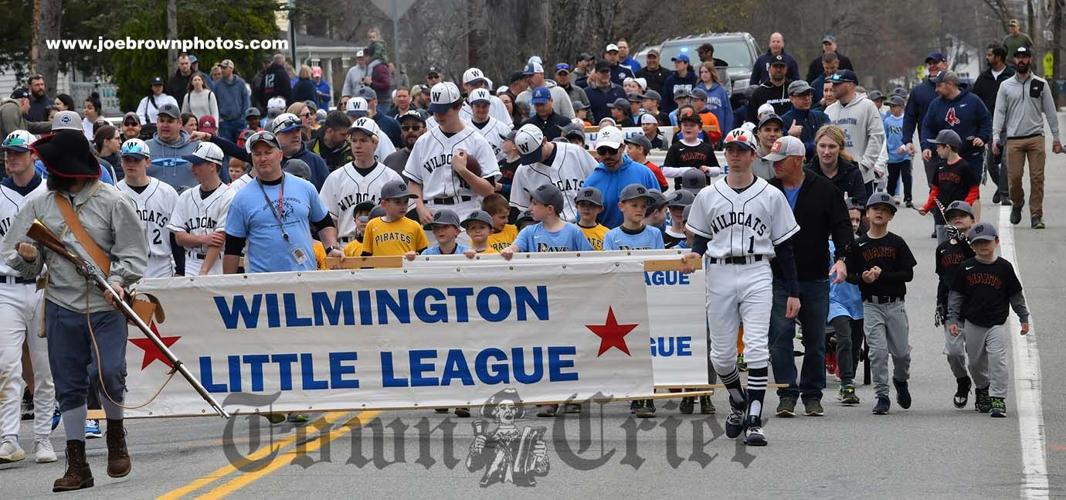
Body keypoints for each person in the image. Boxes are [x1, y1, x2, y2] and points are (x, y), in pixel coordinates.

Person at [2, 129, 146, 491]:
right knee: (68, 387)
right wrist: (28, 258)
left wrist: (119, 281)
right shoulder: (38, 205)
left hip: (107, 304)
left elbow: (133, 254)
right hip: (61, 305)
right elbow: (14, 252)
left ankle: (116, 436)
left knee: (111, 373)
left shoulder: (113, 201)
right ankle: (77, 462)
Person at [683, 127, 801, 446]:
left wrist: (792, 290)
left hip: (757, 269)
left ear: (753, 155)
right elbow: (702, 237)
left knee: (756, 347)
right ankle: (738, 399)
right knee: (721, 357)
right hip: (719, 272)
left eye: (741, 150)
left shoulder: (770, 194)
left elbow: (785, 246)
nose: (735, 155)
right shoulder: (708, 194)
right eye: (730, 149)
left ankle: (754, 418)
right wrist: (694, 254)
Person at [765, 135, 853, 417]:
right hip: (777, 277)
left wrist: (841, 259)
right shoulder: (767, 190)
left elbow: (842, 227)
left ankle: (812, 395)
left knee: (815, 340)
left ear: (797, 160)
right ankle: (786, 394)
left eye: (780, 161)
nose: (775, 166)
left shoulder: (824, 189)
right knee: (779, 338)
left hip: (815, 275)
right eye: (772, 161)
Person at [0, 130, 57, 465]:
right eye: (8, 153)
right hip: (5, 285)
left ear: (34, 156)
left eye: (18, 153)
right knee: (6, 367)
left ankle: (43, 438)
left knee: (44, 367)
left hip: (41, 287)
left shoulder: (49, 192)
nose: (11, 158)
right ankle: (8, 439)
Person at [223, 130, 342, 274]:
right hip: (263, 284)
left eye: (268, 152)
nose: (263, 158)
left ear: (280, 155)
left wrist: (331, 248)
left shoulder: (305, 187)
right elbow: (232, 248)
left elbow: (324, 223)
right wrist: (229, 286)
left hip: (303, 277)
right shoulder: (241, 198)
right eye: (257, 154)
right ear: (252, 159)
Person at [947, 221, 1031, 418]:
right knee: (975, 364)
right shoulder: (966, 267)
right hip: (973, 322)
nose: (982, 246)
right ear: (971, 245)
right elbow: (956, 296)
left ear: (997, 242)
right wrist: (952, 320)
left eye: (987, 241)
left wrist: (1023, 317)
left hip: (997, 322)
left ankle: (998, 399)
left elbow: (1016, 296)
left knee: (997, 359)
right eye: (977, 243)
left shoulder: (1004, 268)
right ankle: (983, 388)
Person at [844, 192, 917, 415]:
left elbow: (908, 274)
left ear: (891, 216)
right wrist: (863, 278)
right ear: (867, 213)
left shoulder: (897, 242)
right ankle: (882, 395)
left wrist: (883, 275)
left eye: (885, 210)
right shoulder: (858, 245)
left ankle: (900, 380)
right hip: (871, 305)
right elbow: (849, 274)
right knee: (877, 352)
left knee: (902, 354)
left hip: (895, 304)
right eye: (875, 209)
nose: (879, 213)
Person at [405, 82, 500, 223]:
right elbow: (413, 182)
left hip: (466, 210)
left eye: (443, 111)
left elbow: (489, 191)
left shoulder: (477, 141)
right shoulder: (423, 141)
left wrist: (463, 171)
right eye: (435, 110)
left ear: (458, 107)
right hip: (431, 211)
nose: (438, 115)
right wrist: (420, 208)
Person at [992, 46, 1062, 229]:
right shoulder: (1005, 86)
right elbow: (999, 112)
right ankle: (1018, 202)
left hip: (1036, 137)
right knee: (1014, 178)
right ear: (1014, 60)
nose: (1021, 60)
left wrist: (1056, 138)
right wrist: (995, 137)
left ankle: (1036, 215)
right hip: (1014, 139)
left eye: (1024, 57)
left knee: (1037, 178)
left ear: (1030, 59)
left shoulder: (1041, 84)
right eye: (1018, 57)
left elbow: (1050, 112)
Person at [320, 117, 405, 243]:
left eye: (363, 140)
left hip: (382, 244)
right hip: (347, 246)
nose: (357, 145)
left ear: (375, 143)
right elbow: (328, 220)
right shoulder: (336, 177)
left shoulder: (391, 177)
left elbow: (402, 217)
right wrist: (332, 246)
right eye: (354, 140)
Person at [932, 201, 977, 409]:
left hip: (978, 306)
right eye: (952, 216)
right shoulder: (942, 249)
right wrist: (940, 303)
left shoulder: (981, 243)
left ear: (972, 220)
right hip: (953, 309)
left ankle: (984, 389)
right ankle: (962, 380)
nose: (957, 218)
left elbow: (976, 260)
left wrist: (963, 241)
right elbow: (943, 279)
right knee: (954, 352)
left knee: (978, 356)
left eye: (962, 215)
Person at [115, 138, 179, 278]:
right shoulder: (113, 193)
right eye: (127, 159)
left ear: (148, 162)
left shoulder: (167, 192)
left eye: (136, 160)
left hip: (161, 265)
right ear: (121, 162)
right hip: (126, 265)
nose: (131, 164)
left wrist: (180, 268)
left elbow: (176, 234)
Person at [168, 142, 235, 276]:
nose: (193, 168)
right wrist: (203, 239)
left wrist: (204, 271)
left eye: (198, 164)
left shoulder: (229, 196)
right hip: (191, 261)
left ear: (212, 166)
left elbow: (218, 240)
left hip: (218, 263)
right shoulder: (186, 196)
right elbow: (179, 238)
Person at [510, 124, 596, 222]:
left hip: (586, 224)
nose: (533, 159)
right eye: (529, 156)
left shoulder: (574, 152)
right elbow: (521, 207)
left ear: (544, 141)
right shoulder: (523, 170)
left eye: (535, 154)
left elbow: (599, 179)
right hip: (549, 230)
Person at [920, 71, 991, 190]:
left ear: (950, 84)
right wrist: (926, 146)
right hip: (946, 159)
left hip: (971, 156)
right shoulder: (935, 105)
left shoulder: (973, 101)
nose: (936, 90)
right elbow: (927, 127)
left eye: (939, 85)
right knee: (947, 193)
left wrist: (982, 137)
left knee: (970, 194)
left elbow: (986, 122)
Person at [584, 126, 661, 228]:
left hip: (641, 239)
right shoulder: (592, 181)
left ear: (622, 148)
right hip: (605, 241)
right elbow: (583, 220)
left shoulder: (644, 173)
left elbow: (659, 208)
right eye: (602, 151)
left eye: (612, 150)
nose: (607, 156)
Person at [827, 200, 865, 405]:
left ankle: (848, 374)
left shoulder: (863, 244)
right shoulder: (829, 245)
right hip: (835, 300)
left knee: (856, 345)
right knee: (845, 337)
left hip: (858, 301)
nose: (854, 223)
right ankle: (847, 384)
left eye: (858, 219)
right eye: (850, 219)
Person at [825, 70, 886, 194]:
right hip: (834, 177)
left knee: (862, 212)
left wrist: (864, 166)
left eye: (837, 84)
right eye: (833, 84)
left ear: (851, 85)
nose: (833, 87)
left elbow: (877, 137)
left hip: (862, 177)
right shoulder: (829, 111)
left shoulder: (867, 106)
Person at [501, 183, 593, 262]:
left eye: (535, 203)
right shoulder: (528, 232)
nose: (530, 208)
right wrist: (510, 249)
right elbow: (515, 246)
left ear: (549, 209)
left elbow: (591, 259)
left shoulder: (574, 232)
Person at [918, 130, 979, 245]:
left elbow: (974, 190)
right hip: (942, 217)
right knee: (943, 248)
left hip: (958, 218)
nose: (936, 150)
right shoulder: (940, 167)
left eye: (938, 146)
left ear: (947, 147)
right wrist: (926, 207)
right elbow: (935, 190)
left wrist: (964, 207)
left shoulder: (965, 167)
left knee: (960, 247)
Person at [972, 43, 1015, 205]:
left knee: (1006, 160)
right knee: (990, 162)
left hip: (1011, 125)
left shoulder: (1012, 75)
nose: (987, 57)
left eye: (990, 55)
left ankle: (1004, 194)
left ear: (998, 57)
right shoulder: (983, 78)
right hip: (990, 125)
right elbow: (974, 100)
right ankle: (1001, 187)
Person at [903, 52, 948, 186]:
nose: (932, 66)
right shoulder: (919, 91)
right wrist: (907, 140)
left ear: (945, 64)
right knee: (934, 185)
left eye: (936, 63)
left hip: (955, 146)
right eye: (930, 64)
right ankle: (937, 206)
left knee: (954, 185)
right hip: (930, 146)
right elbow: (910, 117)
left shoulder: (955, 87)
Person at [359, 180, 428, 256]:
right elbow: (366, 255)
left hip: (406, 268)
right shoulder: (372, 225)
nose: (403, 206)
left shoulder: (415, 226)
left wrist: (416, 255)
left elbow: (424, 255)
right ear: (384, 204)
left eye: (406, 201)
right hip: (381, 267)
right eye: (397, 202)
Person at [145, 103, 201, 194]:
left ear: (179, 123)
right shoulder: (145, 148)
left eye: (170, 121)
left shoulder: (197, 147)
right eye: (162, 121)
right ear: (157, 123)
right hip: (155, 205)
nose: (165, 125)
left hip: (189, 204)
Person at [809, 125, 868, 205]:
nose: (826, 152)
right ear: (816, 147)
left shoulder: (853, 173)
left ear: (840, 148)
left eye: (832, 147)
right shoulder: (807, 173)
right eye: (822, 146)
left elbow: (861, 204)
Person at [662, 107, 720, 188]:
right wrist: (687, 171)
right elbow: (666, 171)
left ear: (700, 129)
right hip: (682, 190)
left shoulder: (706, 147)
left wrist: (708, 170)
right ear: (681, 128)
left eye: (692, 125)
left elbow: (717, 170)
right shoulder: (675, 147)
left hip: (703, 189)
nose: (688, 127)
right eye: (685, 125)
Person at [270, 113, 330, 190]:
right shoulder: (270, 162)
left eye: (297, 130)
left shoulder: (316, 161)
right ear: (276, 136)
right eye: (289, 131)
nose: (296, 135)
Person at [0, 88, 51, 170]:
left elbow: (34, 126)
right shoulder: (11, 107)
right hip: (5, 162)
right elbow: (13, 134)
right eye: (29, 104)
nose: (30, 107)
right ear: (25, 101)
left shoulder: (18, 115)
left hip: (9, 160)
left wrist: (57, 124)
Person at [603, 183, 665, 251]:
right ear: (621, 206)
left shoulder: (655, 234)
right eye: (634, 205)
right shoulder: (611, 236)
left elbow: (659, 261)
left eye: (643, 206)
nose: (639, 209)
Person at [781, 80, 830, 161]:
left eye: (809, 94)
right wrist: (790, 137)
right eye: (801, 95)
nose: (807, 98)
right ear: (791, 98)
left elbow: (831, 140)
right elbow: (783, 150)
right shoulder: (783, 121)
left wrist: (803, 146)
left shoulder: (821, 116)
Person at [883, 96, 913, 206]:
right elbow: (885, 137)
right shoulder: (887, 121)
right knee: (892, 178)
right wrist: (885, 152)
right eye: (891, 106)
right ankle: (890, 196)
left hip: (905, 155)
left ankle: (908, 198)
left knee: (907, 177)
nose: (892, 109)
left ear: (901, 107)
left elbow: (909, 135)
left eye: (894, 106)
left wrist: (905, 147)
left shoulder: (906, 120)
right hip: (892, 155)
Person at [747, 55, 792, 123]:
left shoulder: (793, 89)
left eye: (781, 67)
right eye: (775, 66)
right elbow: (751, 119)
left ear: (786, 69)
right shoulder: (759, 92)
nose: (778, 69)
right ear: (769, 68)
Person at [214, 59, 251, 143]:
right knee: (227, 148)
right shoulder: (217, 85)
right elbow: (215, 102)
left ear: (231, 69)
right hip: (224, 123)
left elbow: (246, 101)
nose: (222, 70)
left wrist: (243, 117)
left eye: (224, 68)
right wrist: (220, 118)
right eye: (221, 68)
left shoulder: (241, 83)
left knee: (242, 146)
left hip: (240, 121)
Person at [384, 110, 426, 175]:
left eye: (415, 127)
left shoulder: (434, 157)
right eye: (405, 128)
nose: (410, 131)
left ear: (425, 131)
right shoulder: (390, 161)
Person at [753, 114, 784, 180]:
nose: (772, 134)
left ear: (782, 134)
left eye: (776, 130)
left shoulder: (787, 157)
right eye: (767, 130)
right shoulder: (750, 158)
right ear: (758, 133)